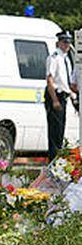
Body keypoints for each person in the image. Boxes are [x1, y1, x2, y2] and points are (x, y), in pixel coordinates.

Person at [45, 30, 74, 161]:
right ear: (58, 43)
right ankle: (53, 161)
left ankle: (57, 160)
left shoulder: (65, 58)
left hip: (63, 96)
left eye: (69, 42)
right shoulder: (54, 57)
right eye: (64, 42)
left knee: (60, 131)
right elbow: (50, 79)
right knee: (55, 132)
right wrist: (55, 100)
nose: (67, 44)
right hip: (55, 95)